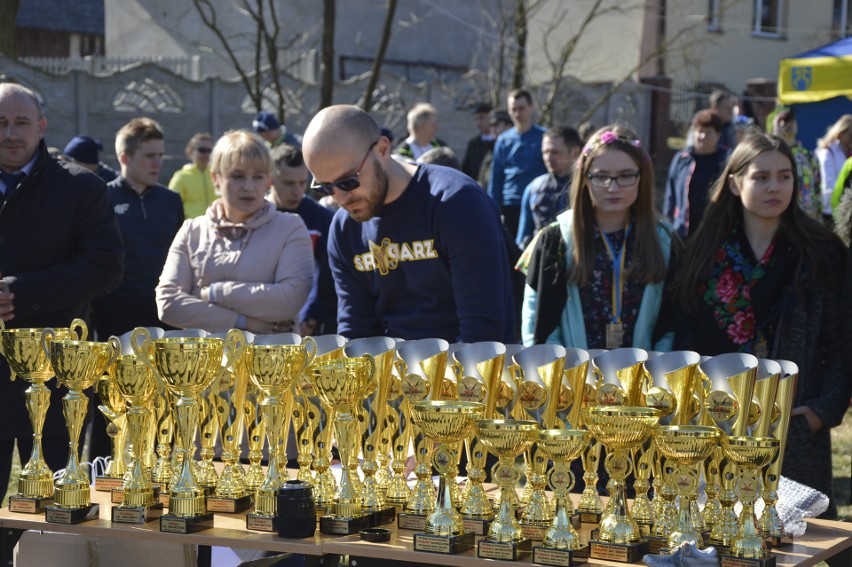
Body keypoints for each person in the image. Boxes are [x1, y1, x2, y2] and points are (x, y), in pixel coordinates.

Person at [659, 132, 850, 518]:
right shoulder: (701, 254)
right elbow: (684, 339)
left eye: (784, 177)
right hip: (719, 425)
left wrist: (821, 411)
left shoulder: (823, 251)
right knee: (720, 533)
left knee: (805, 539)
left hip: (794, 427)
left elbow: (844, 340)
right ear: (735, 182)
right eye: (761, 177)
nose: (774, 187)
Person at [0, 83, 124, 503]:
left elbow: (105, 267)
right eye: (0, 123)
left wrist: (22, 293)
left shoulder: (80, 188)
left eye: (20, 122)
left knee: (56, 507)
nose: (10, 133)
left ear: (42, 126)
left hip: (56, 376)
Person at [303, 104, 515, 343]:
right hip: (391, 374)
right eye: (325, 187)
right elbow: (356, 332)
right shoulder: (344, 229)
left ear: (383, 149)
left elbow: (481, 332)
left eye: (349, 181)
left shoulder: (456, 203)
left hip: (468, 372)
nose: (340, 198)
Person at [519, 125, 675, 349]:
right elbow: (537, 320)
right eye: (601, 177)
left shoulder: (663, 240)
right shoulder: (556, 239)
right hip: (573, 376)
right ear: (585, 178)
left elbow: (670, 325)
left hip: (644, 378)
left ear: (642, 177)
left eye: (626, 176)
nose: (612, 187)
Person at [156, 130, 313, 334]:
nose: (249, 187)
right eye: (237, 176)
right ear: (216, 178)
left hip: (271, 362)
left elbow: (289, 300)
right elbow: (168, 305)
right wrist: (244, 322)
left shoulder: (290, 228)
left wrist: (211, 293)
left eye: (258, 177)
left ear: (268, 181)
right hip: (209, 363)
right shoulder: (192, 231)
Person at [92, 117, 184, 339]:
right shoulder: (101, 198)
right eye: (150, 156)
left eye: (160, 155)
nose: (158, 163)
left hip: (165, 314)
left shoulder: (171, 200)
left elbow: (183, 258)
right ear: (125, 158)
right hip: (115, 317)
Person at [269, 143, 337, 336]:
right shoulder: (256, 216)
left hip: (308, 326)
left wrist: (310, 319)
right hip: (262, 322)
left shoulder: (322, 219)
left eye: (302, 183)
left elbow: (328, 276)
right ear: (270, 179)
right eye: (289, 183)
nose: (297, 191)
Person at [487, 88, 548, 240]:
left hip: (537, 201)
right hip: (510, 204)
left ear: (531, 107)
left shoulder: (544, 137)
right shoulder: (503, 140)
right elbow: (496, 178)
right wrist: (493, 210)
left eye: (521, 108)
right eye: (513, 109)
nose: (517, 114)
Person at [663, 109, 729, 238]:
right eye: (699, 131)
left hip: (714, 233)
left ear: (718, 134)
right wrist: (666, 225)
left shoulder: (725, 160)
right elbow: (670, 196)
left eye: (708, 132)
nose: (702, 136)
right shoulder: (681, 159)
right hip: (682, 231)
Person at [516, 126, 582, 248]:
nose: (548, 158)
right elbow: (523, 238)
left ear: (575, 153)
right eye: (545, 152)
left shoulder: (588, 188)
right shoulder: (534, 188)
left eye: (555, 152)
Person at [771, 109, 821, 219]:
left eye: (791, 120)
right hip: (783, 219)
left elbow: (818, 190)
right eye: (783, 121)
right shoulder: (772, 156)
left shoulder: (808, 156)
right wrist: (777, 136)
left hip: (808, 220)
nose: (788, 124)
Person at [168, 132, 217, 218]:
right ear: (191, 151)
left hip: (217, 226)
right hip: (192, 227)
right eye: (202, 150)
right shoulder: (181, 177)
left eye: (209, 151)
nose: (206, 154)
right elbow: (170, 206)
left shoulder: (218, 175)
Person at [815, 114, 852, 222]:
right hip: (832, 213)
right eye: (851, 135)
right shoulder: (827, 153)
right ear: (840, 133)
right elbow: (829, 186)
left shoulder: (849, 153)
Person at [477, 109, 514, 190]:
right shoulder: (489, 150)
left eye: (496, 125)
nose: (492, 128)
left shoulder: (513, 150)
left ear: (509, 126)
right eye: (491, 125)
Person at [461, 102, 494, 180]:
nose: (478, 122)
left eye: (482, 118)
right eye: (476, 119)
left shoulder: (498, 142)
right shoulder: (473, 143)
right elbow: (466, 168)